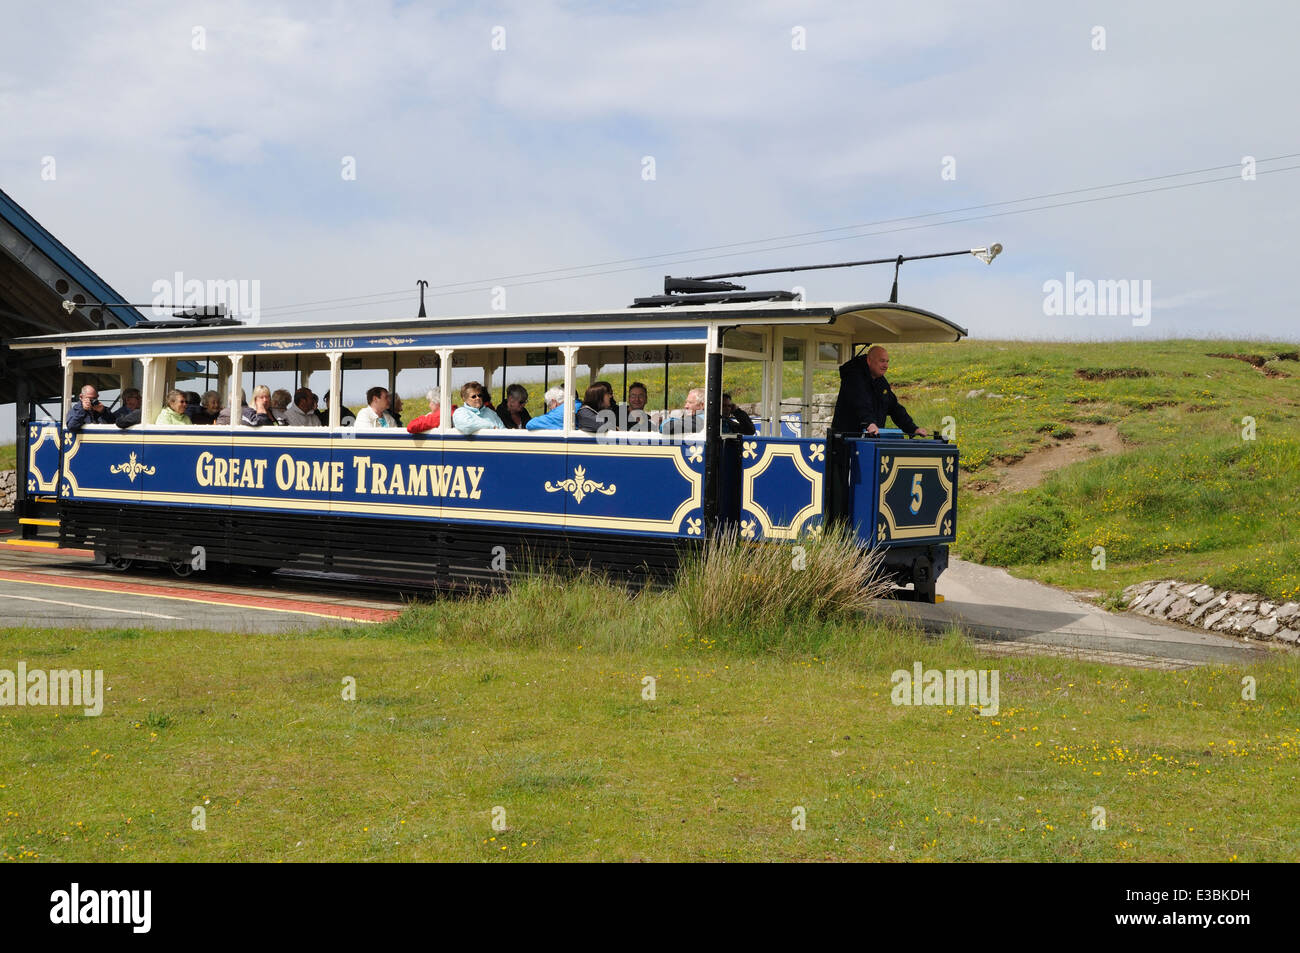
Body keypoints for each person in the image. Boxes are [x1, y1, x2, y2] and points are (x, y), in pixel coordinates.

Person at [830, 345, 928, 437]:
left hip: (871, 437)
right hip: (846, 440)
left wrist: (913, 428)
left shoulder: (881, 382)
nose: (886, 365)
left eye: (887, 361)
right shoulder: (854, 378)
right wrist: (869, 424)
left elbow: (894, 407)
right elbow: (860, 403)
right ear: (869, 360)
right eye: (882, 361)